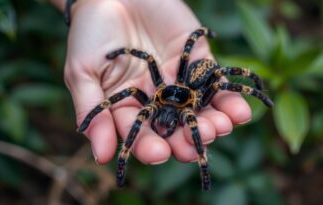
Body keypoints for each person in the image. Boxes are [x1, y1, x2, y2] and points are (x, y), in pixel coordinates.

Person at [49, 0, 252, 164]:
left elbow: (192, 41)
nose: (166, 114)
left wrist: (202, 32)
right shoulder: (155, 99)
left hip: (197, 80)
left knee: (217, 79)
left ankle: (202, 164)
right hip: (186, 82)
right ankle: (125, 156)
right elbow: (146, 57)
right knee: (149, 60)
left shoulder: (193, 104)